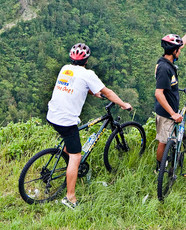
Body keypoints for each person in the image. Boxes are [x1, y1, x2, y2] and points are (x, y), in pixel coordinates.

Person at [46, 42, 132, 209]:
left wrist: (94, 92)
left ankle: (65, 161)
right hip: (66, 120)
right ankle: (70, 198)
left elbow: (74, 84)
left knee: (69, 146)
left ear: (71, 58)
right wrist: (123, 104)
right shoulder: (88, 74)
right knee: (76, 156)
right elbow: (109, 92)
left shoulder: (65, 68)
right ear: (86, 60)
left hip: (52, 115)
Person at [154, 29, 186, 173]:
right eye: (179, 50)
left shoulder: (169, 60)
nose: (180, 51)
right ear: (174, 51)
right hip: (166, 113)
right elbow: (158, 93)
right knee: (163, 142)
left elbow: (181, 45)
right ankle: (159, 168)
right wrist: (172, 113)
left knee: (166, 140)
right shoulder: (164, 68)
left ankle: (165, 163)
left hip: (169, 110)